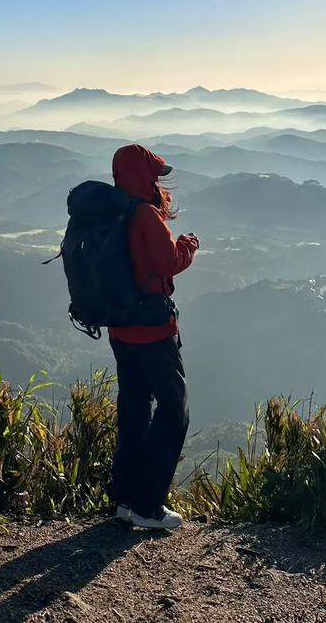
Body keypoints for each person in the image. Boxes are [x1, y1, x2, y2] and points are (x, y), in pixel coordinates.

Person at [108, 143, 199, 531]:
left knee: (133, 407)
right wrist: (188, 245)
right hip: (152, 327)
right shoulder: (145, 214)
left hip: (120, 326)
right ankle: (148, 506)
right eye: (155, 174)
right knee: (174, 410)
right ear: (143, 176)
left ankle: (127, 500)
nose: (159, 182)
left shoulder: (113, 210)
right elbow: (169, 263)